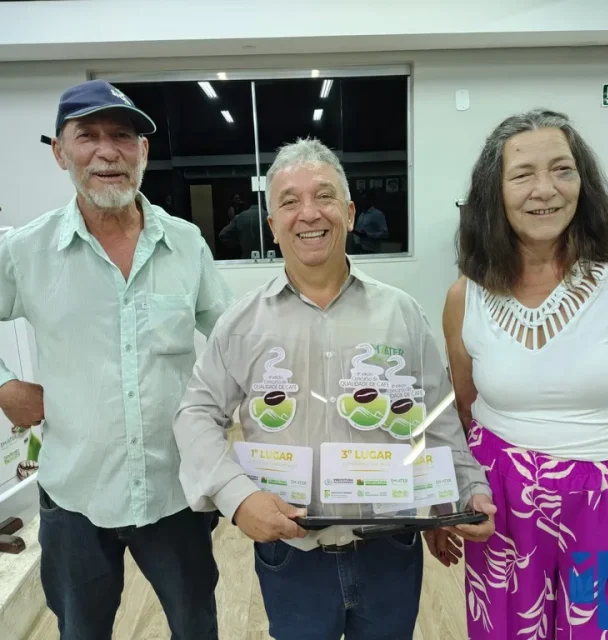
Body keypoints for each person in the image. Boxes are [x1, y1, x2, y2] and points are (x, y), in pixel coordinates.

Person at [173, 137, 495, 640]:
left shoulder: (400, 314)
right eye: (289, 202)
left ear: (348, 213)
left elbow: (437, 417)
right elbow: (195, 413)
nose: (309, 213)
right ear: (272, 225)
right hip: (292, 554)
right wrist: (237, 498)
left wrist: (463, 490)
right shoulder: (242, 323)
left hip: (391, 547)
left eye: (324, 196)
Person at [0, 79, 233, 639]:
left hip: (175, 492)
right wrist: (3, 386)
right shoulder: (25, 251)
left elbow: (232, 338)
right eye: (88, 136)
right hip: (76, 496)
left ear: (143, 152)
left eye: (123, 137)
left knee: (196, 627)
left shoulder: (185, 244)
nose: (108, 152)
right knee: (82, 631)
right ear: (61, 153)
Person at [439, 108, 608, 638]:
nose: (545, 189)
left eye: (562, 170)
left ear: (583, 182)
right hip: (503, 513)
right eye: (523, 174)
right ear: (494, 193)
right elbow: (464, 415)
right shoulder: (465, 296)